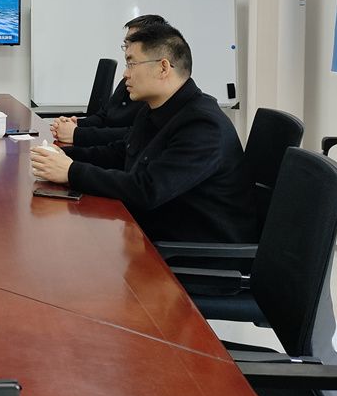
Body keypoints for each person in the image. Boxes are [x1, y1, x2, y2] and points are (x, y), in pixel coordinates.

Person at [31, 24, 254, 244]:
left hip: (194, 252)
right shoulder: (154, 109)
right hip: (151, 232)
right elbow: (121, 153)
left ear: (163, 68)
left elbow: (148, 190)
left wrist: (71, 171)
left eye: (131, 64)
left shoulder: (203, 125)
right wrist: (60, 155)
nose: (125, 74)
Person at [51, 14, 167, 147]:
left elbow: (134, 135)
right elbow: (104, 116)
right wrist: (76, 124)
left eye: (132, 43)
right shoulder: (129, 78)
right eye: (126, 44)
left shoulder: (155, 89)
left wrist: (77, 134)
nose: (127, 50)